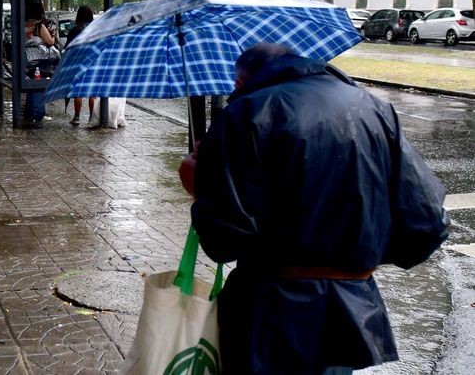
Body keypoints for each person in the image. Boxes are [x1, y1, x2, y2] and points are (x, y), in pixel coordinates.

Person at [179, 43, 448, 374]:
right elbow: (426, 225)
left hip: (269, 316)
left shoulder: (244, 113)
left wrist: (201, 187)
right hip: (350, 312)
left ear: (241, 81)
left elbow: (223, 241)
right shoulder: (375, 109)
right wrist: (355, 254)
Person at [23, 4, 58, 127]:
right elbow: (49, 42)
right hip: (40, 63)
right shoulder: (39, 26)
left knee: (29, 87)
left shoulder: (24, 25)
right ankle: (37, 113)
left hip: (26, 62)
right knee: (39, 86)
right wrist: (53, 34)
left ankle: (28, 112)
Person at [65, 6, 95, 125]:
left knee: (78, 89)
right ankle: (92, 117)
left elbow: (69, 47)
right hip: (92, 61)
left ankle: (77, 117)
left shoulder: (75, 30)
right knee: (92, 90)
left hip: (78, 61)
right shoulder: (95, 29)